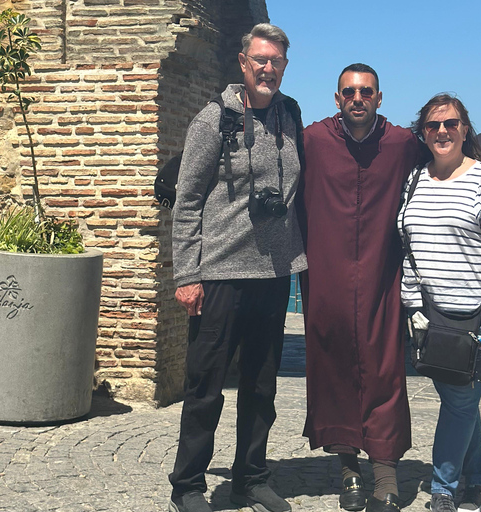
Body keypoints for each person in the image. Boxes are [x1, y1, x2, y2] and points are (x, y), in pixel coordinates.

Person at [298, 66, 481, 512]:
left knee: (384, 375)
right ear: (337, 98)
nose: (358, 98)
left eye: (366, 91)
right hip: (327, 282)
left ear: (379, 97)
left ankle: (386, 473)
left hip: (383, 282)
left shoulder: (400, 144)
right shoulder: (313, 140)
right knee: (333, 372)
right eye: (350, 92)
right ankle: (349, 471)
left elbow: (447, 146)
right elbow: (266, 161)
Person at [168, 23, 306, 512]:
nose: (269, 68)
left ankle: (251, 477)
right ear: (243, 63)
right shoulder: (213, 120)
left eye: (277, 61)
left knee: (261, 386)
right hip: (220, 273)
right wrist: (187, 274)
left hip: (273, 273)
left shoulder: (291, 116)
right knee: (206, 387)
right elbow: (186, 203)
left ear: (285, 66)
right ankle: (187, 486)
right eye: (261, 60)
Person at [399, 94, 481, 512]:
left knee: (458, 400)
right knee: (460, 396)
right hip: (427, 315)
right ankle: (476, 479)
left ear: (465, 129)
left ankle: (443, 488)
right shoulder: (414, 180)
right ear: (422, 132)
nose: (443, 131)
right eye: (434, 125)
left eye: (451, 123)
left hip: (480, 316)